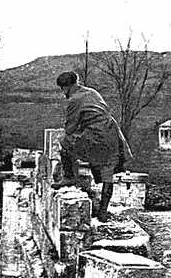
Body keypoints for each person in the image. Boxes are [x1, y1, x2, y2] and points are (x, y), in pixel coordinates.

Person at [51, 71, 133, 221]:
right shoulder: (92, 92)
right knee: (108, 174)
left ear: (65, 87)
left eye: (63, 89)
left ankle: (69, 177)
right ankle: (103, 212)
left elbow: (70, 129)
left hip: (95, 134)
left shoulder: (73, 100)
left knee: (64, 141)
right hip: (111, 132)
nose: (63, 93)